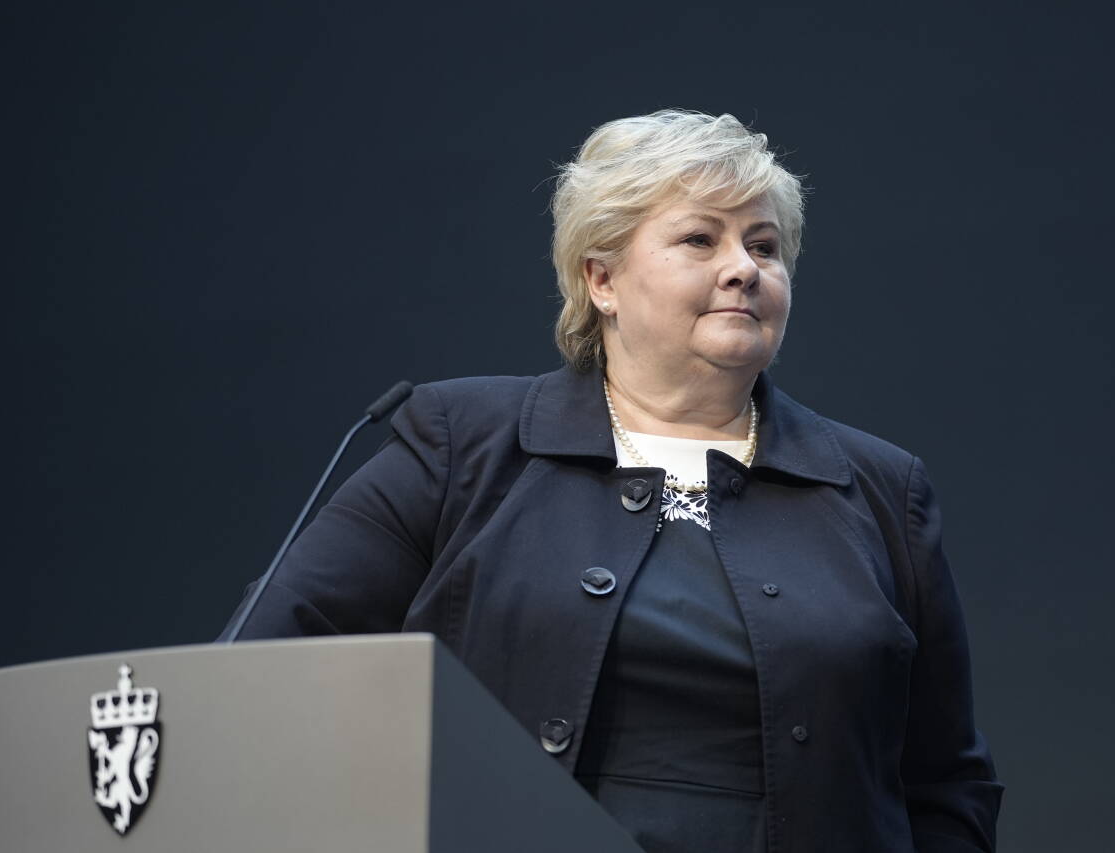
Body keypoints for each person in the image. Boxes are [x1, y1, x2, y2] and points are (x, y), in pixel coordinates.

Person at [221, 109, 1004, 852]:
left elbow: (946, 783)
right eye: (701, 239)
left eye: (764, 247)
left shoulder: (880, 487)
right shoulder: (460, 444)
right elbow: (264, 663)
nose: (744, 269)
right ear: (602, 279)